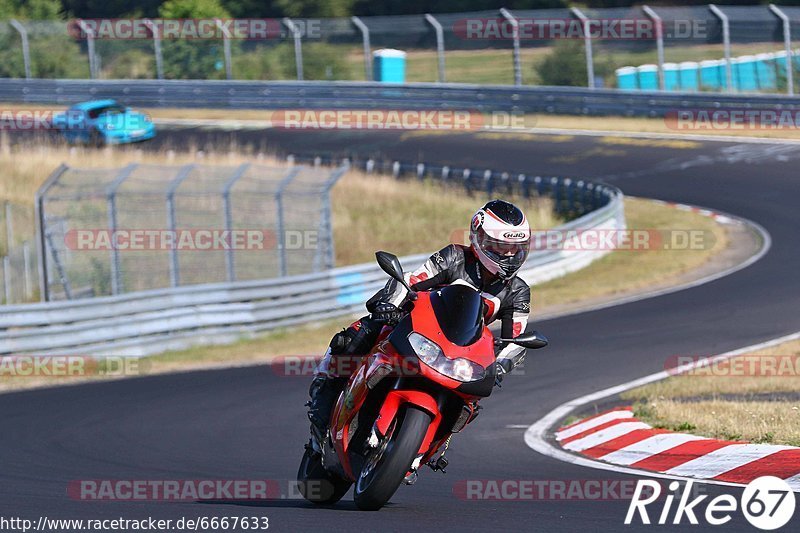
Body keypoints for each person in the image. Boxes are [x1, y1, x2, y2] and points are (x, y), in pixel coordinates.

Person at [307, 199, 533, 436]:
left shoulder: (518, 292)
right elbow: (412, 280)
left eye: (516, 247)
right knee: (365, 330)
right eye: (500, 246)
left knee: (471, 401)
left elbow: (516, 341)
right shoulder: (454, 256)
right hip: (419, 328)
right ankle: (327, 387)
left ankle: (427, 448)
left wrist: (497, 365)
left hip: (459, 353)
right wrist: (390, 305)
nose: (509, 254)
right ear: (479, 239)